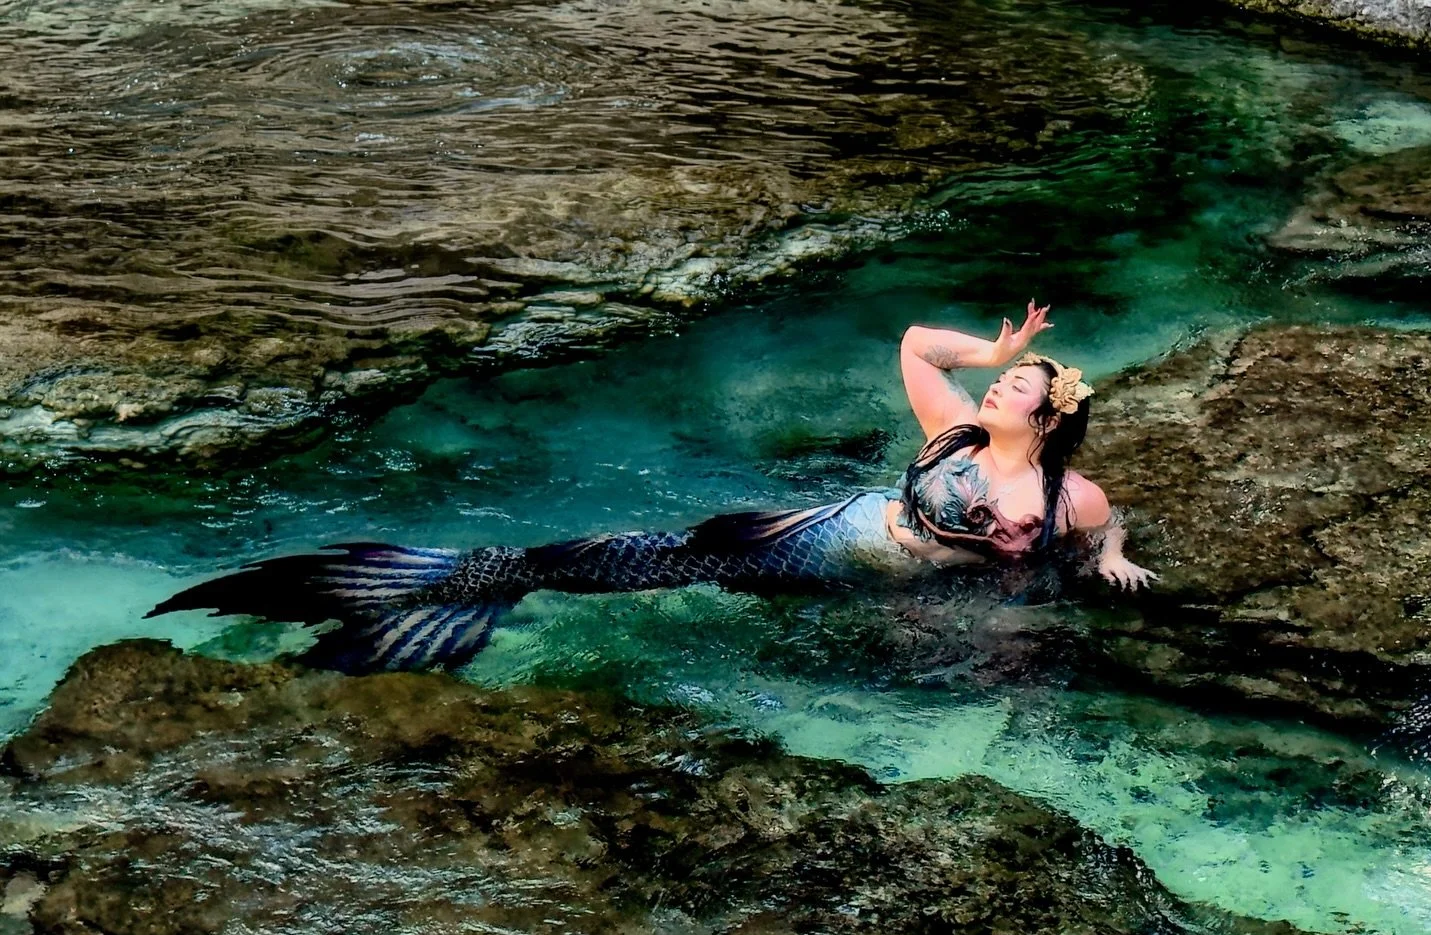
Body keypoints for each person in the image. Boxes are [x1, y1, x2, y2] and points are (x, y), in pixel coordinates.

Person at [147, 301, 1157, 673]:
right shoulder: (955, 430)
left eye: (1018, 381)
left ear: (1053, 416)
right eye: (1002, 376)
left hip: (891, 590)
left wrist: (1115, 559)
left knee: (723, 598)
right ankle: (470, 582)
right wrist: (993, 342)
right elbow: (913, 343)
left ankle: (462, 588)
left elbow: (1091, 547)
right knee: (669, 558)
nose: (999, 383)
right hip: (829, 535)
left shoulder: (1078, 499)